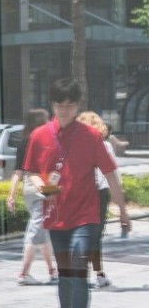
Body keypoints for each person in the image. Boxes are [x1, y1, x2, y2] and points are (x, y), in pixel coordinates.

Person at [24, 79, 130, 308]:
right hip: (56, 215)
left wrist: (123, 210)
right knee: (66, 275)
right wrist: (41, 187)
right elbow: (31, 171)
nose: (65, 110)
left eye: (70, 105)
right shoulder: (39, 135)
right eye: (60, 105)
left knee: (78, 271)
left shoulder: (91, 136)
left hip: (86, 216)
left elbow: (110, 173)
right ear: (52, 104)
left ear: (78, 105)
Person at [6, 108, 58, 285]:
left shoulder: (23, 142)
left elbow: (18, 172)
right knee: (36, 231)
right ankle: (23, 273)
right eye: (46, 120)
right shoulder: (44, 141)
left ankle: (52, 270)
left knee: (43, 230)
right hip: (42, 189)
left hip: (29, 190)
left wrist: (11, 194)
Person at [75, 111, 119, 288]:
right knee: (95, 234)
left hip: (79, 193)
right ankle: (97, 273)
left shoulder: (73, 145)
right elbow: (113, 173)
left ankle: (85, 272)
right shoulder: (104, 145)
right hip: (98, 192)